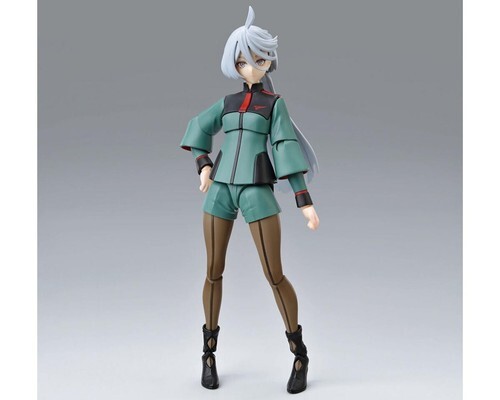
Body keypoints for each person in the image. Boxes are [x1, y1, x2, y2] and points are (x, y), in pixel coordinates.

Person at [180, 6, 319, 394]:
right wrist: (204, 166)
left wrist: (303, 200)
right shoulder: (227, 102)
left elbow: (286, 146)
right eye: (243, 61)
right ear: (234, 63)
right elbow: (197, 127)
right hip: (221, 189)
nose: (251, 67)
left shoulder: (274, 105)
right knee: (213, 270)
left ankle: (299, 354)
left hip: (257, 188)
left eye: (259, 59)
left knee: (274, 274)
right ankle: (208, 354)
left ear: (269, 60)